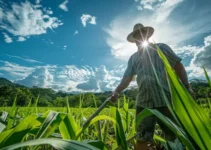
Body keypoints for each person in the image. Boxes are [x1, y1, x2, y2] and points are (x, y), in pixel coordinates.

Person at [110, 23, 194, 150]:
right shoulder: (133, 58)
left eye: (142, 32)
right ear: (134, 39)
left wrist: (187, 86)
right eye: (137, 34)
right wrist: (116, 92)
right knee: (142, 136)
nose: (140, 35)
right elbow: (126, 78)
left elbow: (178, 66)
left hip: (165, 99)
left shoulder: (161, 48)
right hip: (143, 103)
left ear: (147, 35)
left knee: (173, 136)